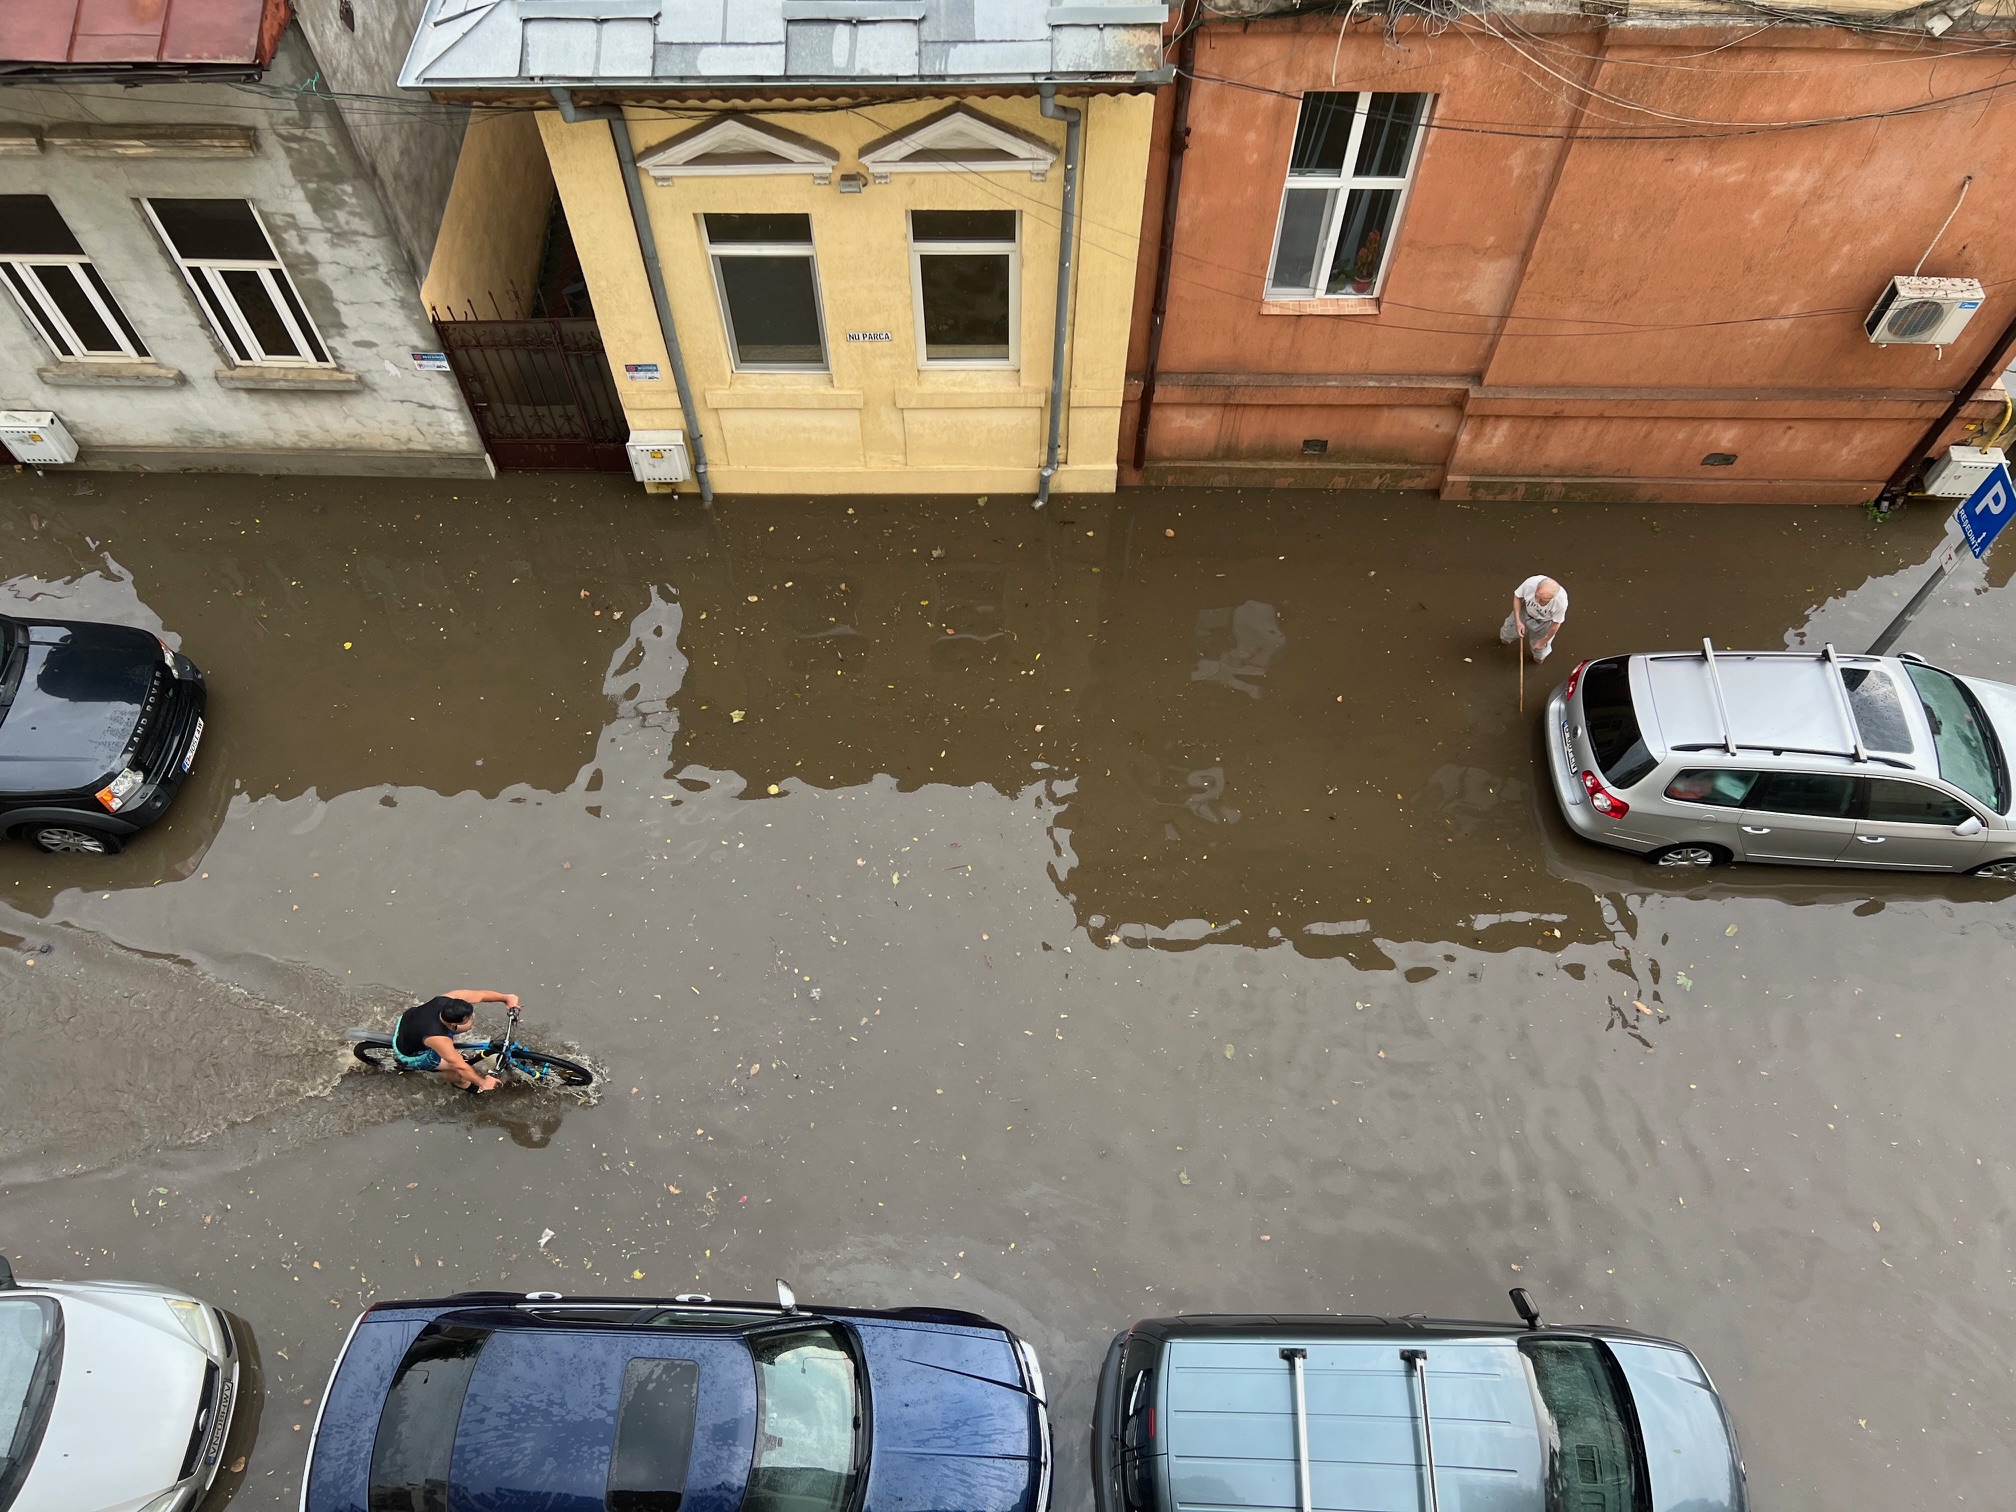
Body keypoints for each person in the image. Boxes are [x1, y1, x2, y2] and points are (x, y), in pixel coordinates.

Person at [393, 989, 519, 1093]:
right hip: (410, 1053)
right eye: (468, 1017)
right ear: (453, 1023)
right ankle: (459, 1083)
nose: (472, 1016)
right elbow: (460, 1066)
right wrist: (483, 1082)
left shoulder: (447, 1000)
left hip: (408, 1021)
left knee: (468, 1026)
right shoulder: (439, 1038)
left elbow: (481, 995)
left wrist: (506, 998)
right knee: (453, 1066)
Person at [1500, 575, 1568, 662]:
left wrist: (1543, 641)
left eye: (1543, 600)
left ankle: (1538, 657)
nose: (1537, 601)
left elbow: (1556, 623)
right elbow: (1517, 596)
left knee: (1539, 656)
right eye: (1536, 596)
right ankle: (1505, 640)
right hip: (1526, 611)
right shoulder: (1529, 584)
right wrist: (1518, 621)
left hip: (1545, 621)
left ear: (1552, 598)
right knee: (1506, 636)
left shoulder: (1561, 602)